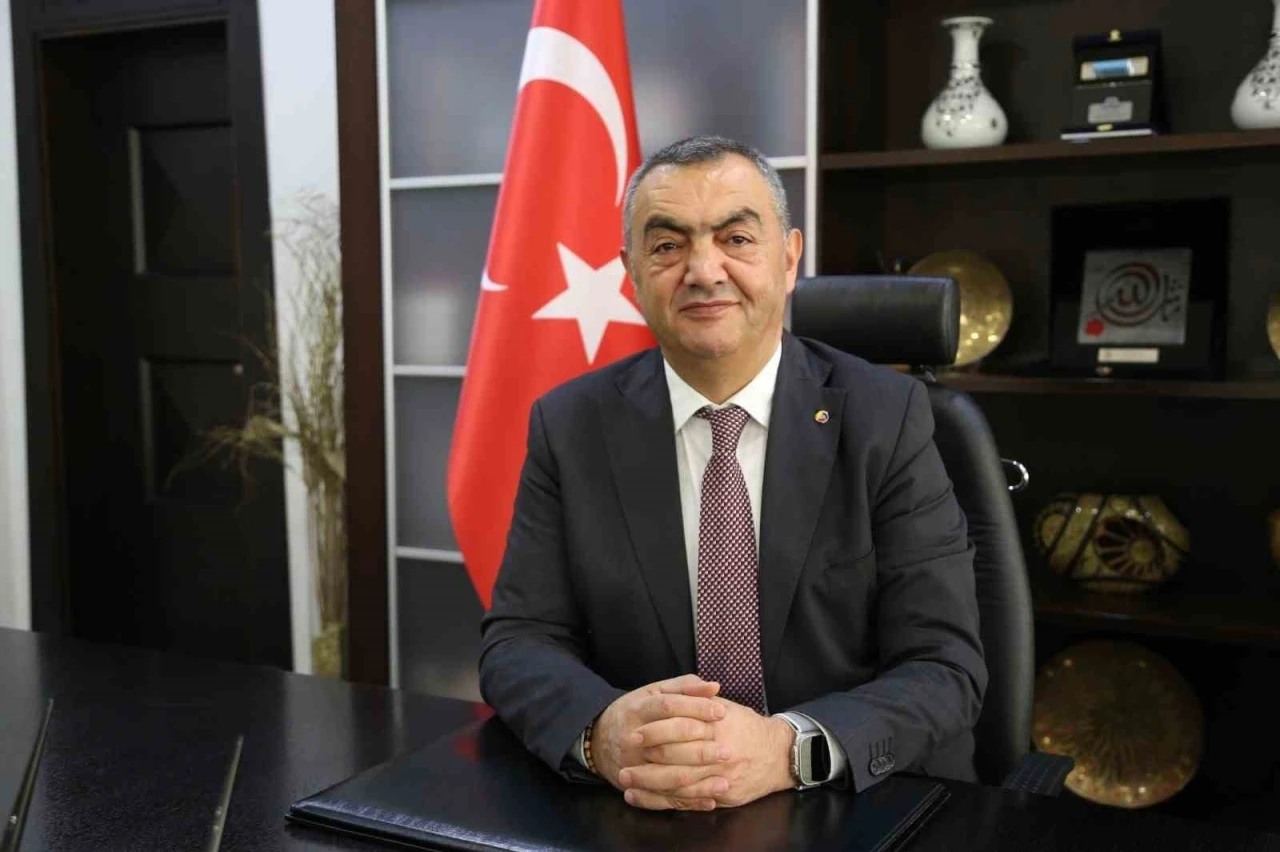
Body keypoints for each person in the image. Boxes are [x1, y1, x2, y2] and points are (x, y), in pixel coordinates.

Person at [479, 135, 986, 812]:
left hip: (846, 800)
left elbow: (945, 666)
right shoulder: (570, 425)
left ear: (789, 258)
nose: (703, 270)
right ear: (631, 273)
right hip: (646, 805)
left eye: (736, 238)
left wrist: (787, 749)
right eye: (667, 246)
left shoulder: (888, 418)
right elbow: (519, 641)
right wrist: (602, 733)